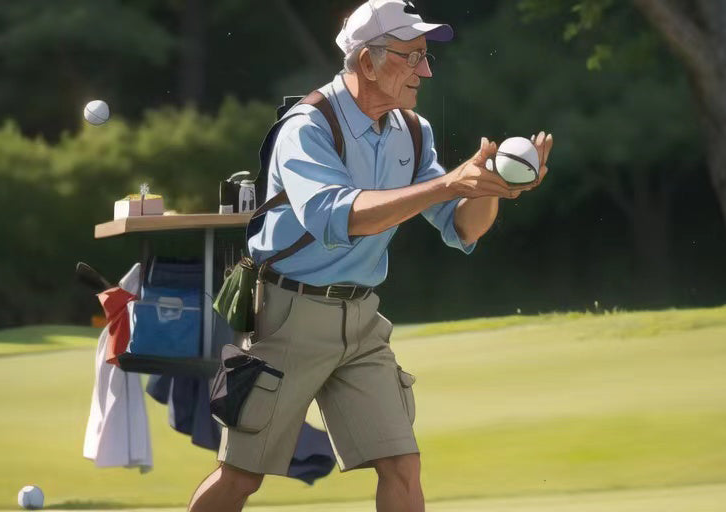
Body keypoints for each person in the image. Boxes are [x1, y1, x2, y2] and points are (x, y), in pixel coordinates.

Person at [187, 1, 553, 511]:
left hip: (361, 322)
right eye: (413, 56)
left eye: (426, 56)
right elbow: (342, 218)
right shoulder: (307, 127)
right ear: (366, 63)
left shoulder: (412, 130)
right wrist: (449, 183)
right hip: (286, 319)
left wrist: (492, 185)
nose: (425, 70)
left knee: (402, 467)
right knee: (240, 478)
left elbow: (462, 227)